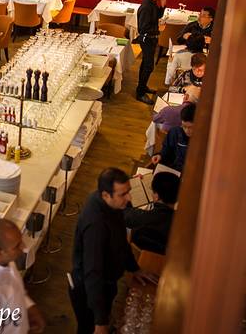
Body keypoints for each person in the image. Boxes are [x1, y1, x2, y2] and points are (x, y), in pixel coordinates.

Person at [70, 168, 154, 334]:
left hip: (106, 283)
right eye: (123, 194)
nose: (129, 198)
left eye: (128, 191)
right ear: (106, 195)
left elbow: (120, 240)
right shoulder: (96, 225)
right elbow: (93, 272)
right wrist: (100, 321)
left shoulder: (111, 205)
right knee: (87, 328)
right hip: (89, 290)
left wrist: (134, 268)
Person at [124, 171, 181, 254]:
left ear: (156, 196)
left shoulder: (146, 218)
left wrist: (132, 185)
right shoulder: (181, 218)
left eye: (152, 190)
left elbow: (124, 213)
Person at [135, 0, 166, 104]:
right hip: (146, 39)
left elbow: (157, 16)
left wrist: (162, 6)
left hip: (152, 38)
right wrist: (158, 29)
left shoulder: (153, 3)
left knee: (146, 65)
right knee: (148, 66)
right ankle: (140, 93)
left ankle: (142, 87)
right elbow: (142, 28)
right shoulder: (146, 6)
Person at [152, 102, 196, 173]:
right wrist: (160, 155)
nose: (187, 131)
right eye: (184, 126)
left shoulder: (201, 141)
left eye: (191, 127)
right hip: (172, 169)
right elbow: (166, 148)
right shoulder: (174, 132)